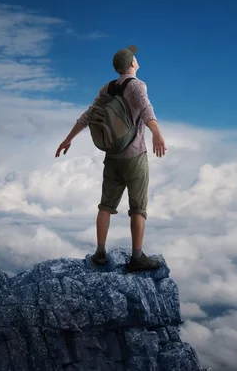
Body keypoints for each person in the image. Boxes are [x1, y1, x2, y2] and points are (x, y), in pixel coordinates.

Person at [55, 45, 167, 272]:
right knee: (138, 207)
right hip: (134, 156)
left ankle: (100, 252)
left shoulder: (107, 87)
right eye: (134, 57)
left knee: (105, 205)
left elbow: (88, 115)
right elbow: (146, 110)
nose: (136, 58)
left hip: (112, 156)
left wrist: (69, 138)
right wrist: (156, 132)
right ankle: (137, 258)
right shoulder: (137, 85)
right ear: (132, 64)